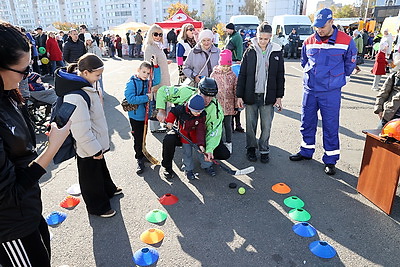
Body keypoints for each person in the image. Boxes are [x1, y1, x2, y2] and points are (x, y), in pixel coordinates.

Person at [0, 21, 71, 267]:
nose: (27, 76)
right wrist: (52, 148)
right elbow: (8, 194)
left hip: (27, 211)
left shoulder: (8, 92)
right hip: (10, 226)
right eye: (23, 70)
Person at [289, 8, 357, 175]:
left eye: (322, 26)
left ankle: (330, 159)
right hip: (310, 90)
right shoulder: (309, 41)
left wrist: (339, 79)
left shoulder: (347, 41)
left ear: (331, 22)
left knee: (330, 125)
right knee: (307, 122)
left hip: (330, 92)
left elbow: (350, 63)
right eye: (316, 26)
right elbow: (304, 61)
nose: (319, 29)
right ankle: (306, 151)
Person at [54, 53, 121, 217]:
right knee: (90, 176)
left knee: (99, 169)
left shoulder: (83, 87)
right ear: (85, 73)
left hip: (93, 140)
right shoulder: (76, 95)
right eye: (97, 75)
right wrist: (94, 149)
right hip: (87, 145)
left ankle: (108, 190)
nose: (98, 79)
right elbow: (80, 130)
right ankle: (98, 207)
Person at [156, 78, 230, 180]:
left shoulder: (216, 109)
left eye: (211, 97)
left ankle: (207, 163)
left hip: (200, 134)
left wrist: (209, 149)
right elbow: (163, 91)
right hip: (182, 131)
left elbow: (214, 132)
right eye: (205, 96)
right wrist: (161, 110)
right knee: (168, 139)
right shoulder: (185, 92)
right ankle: (167, 167)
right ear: (198, 91)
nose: (208, 100)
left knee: (223, 153)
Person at [236, 22, 285, 163]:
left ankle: (264, 149)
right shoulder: (250, 51)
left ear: (270, 37)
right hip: (251, 95)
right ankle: (251, 148)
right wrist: (239, 95)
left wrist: (279, 97)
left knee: (266, 126)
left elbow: (280, 76)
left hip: (267, 97)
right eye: (260, 38)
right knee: (250, 126)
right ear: (256, 37)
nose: (262, 41)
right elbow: (243, 75)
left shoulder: (276, 52)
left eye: (266, 39)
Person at [124, 60, 161, 174]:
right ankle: (139, 158)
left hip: (145, 115)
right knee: (138, 138)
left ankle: (143, 152)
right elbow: (131, 99)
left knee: (143, 136)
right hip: (136, 117)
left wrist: (156, 66)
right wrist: (146, 97)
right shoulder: (132, 82)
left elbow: (157, 80)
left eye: (148, 73)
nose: (146, 75)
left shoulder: (147, 81)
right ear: (138, 70)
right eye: (144, 72)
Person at [165, 95, 208, 180]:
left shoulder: (201, 115)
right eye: (195, 112)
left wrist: (201, 143)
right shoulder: (181, 109)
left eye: (200, 111)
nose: (198, 114)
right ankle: (188, 169)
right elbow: (173, 112)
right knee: (187, 153)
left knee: (201, 151)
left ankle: (207, 165)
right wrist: (170, 121)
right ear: (189, 107)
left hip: (195, 135)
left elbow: (200, 130)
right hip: (184, 135)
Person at [143, 24, 171, 133]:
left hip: (163, 77)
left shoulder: (157, 46)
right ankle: (155, 127)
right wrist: (152, 84)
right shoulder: (150, 47)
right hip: (157, 79)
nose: (158, 36)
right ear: (151, 34)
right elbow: (148, 66)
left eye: (160, 34)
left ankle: (160, 124)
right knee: (156, 102)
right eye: (155, 34)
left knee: (160, 101)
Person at [210, 49, 237, 153]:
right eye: (224, 66)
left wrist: (236, 104)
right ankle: (218, 143)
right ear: (220, 64)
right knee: (218, 126)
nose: (226, 68)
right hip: (217, 106)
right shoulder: (214, 74)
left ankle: (229, 143)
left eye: (228, 66)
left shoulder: (233, 75)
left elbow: (235, 90)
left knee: (228, 125)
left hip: (229, 106)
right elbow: (211, 90)